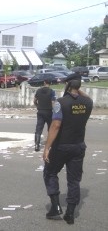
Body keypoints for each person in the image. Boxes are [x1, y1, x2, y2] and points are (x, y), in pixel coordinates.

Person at [43, 73, 93, 225]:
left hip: (61, 147)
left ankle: (56, 207)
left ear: (67, 85)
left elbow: (56, 125)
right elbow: (84, 97)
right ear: (79, 86)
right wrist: (77, 89)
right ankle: (70, 213)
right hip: (78, 146)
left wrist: (46, 148)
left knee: (50, 172)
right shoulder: (88, 102)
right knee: (74, 180)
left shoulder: (60, 102)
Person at [33, 79, 56, 151]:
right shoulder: (52, 91)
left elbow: (34, 101)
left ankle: (37, 145)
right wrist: (54, 110)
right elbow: (53, 102)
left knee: (38, 129)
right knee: (50, 128)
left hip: (40, 112)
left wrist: (38, 106)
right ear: (50, 83)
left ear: (44, 83)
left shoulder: (38, 91)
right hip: (49, 112)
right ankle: (51, 144)